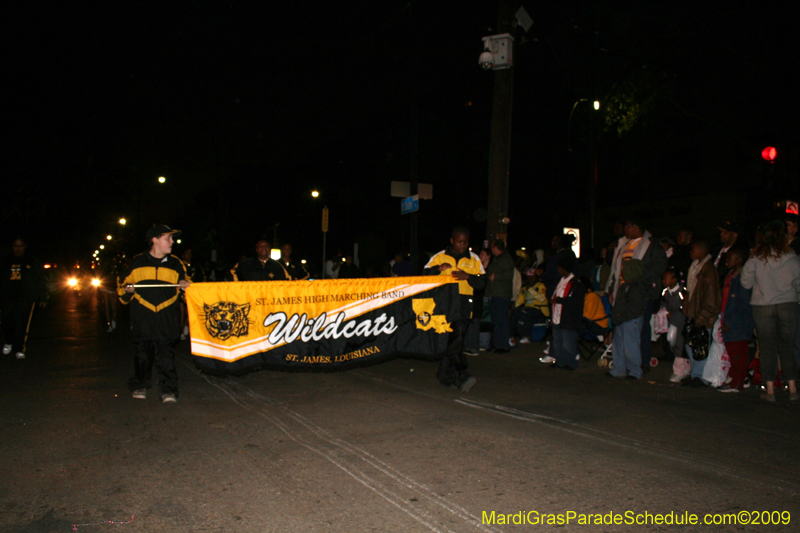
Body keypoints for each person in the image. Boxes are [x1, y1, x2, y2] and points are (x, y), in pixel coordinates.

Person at [119, 224, 190, 403]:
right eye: (168, 238)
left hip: (167, 316)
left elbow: (187, 289)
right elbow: (121, 288)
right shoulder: (137, 262)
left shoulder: (176, 263)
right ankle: (140, 384)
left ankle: (168, 390)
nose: (172, 242)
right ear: (155, 240)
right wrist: (127, 290)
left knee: (165, 355)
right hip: (143, 316)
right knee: (142, 353)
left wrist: (185, 286)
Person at [740, 221, 800, 402]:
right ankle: (793, 388)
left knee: (767, 347)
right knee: (787, 346)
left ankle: (770, 389)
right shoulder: (792, 258)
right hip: (788, 304)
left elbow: (745, 283)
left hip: (763, 305)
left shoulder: (756, 258)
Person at [423, 227, 486, 392]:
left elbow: (481, 283)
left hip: (464, 304)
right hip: (444, 304)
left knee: (455, 340)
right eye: (459, 241)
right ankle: (455, 374)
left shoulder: (474, 259)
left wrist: (468, 277)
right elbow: (424, 275)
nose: (462, 245)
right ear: (452, 241)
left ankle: (453, 375)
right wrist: (438, 269)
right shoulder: (439, 256)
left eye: (465, 242)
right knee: (450, 340)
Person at [605, 219, 668, 373]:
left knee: (640, 327)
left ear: (637, 227)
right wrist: (613, 289)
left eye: (628, 226)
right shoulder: (624, 244)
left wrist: (638, 276)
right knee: (620, 327)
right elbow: (617, 270)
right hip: (622, 292)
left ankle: (642, 362)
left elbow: (660, 266)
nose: (625, 229)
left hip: (641, 292)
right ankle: (621, 366)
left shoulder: (652, 245)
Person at [682, 239, 721, 387]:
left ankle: (700, 376)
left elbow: (712, 298)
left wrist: (703, 316)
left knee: (700, 347)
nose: (691, 252)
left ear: (702, 250)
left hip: (702, 315)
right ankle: (695, 374)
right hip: (694, 313)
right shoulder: (696, 267)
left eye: (694, 249)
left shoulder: (708, 270)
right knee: (692, 345)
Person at [1, 238, 48, 359]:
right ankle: (8, 341)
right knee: (6, 320)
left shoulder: (31, 261)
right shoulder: (5, 261)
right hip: (7, 297)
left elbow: (40, 279)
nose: (18, 248)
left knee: (21, 323)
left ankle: (19, 348)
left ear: (25, 246)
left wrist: (42, 297)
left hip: (25, 298)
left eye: (20, 246)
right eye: (16, 246)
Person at [717, 248, 754, 393]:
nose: (727, 261)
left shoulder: (742, 277)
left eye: (730, 258)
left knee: (737, 353)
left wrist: (730, 321)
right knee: (733, 353)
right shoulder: (731, 275)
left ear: (739, 260)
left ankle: (736, 383)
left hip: (738, 322)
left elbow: (744, 303)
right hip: (729, 319)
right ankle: (736, 379)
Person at [608, 259, 649, 379]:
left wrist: (620, 316)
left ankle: (634, 370)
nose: (622, 272)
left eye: (624, 269)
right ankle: (619, 368)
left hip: (631, 320)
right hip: (623, 319)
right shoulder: (626, 286)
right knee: (618, 346)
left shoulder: (637, 287)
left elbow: (634, 308)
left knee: (631, 347)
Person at [548, 255, 585, 370]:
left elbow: (575, 301)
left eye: (559, 267)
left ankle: (571, 363)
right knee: (558, 342)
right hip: (557, 316)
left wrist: (559, 300)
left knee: (568, 343)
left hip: (569, 318)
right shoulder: (560, 281)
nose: (558, 269)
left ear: (565, 268)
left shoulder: (576, 283)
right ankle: (560, 361)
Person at [486, 239, 515, 353]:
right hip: (496, 293)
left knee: (502, 320)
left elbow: (509, 274)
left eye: (492, 247)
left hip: (502, 294)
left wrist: (496, 276)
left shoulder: (506, 258)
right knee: (496, 320)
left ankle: (503, 345)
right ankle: (497, 343)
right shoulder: (498, 259)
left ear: (496, 248)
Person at [662, 269, 689, 383]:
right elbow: (664, 304)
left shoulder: (682, 293)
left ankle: (679, 371)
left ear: (674, 279)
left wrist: (673, 316)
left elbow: (685, 309)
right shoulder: (666, 292)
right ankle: (685, 368)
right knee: (673, 344)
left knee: (679, 345)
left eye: (666, 278)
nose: (664, 281)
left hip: (680, 323)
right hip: (671, 322)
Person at [513, 268, 549, 344]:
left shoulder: (541, 286)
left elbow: (542, 298)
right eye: (529, 277)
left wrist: (531, 290)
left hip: (539, 310)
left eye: (532, 277)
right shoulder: (524, 288)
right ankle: (516, 334)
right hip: (528, 310)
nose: (530, 279)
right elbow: (519, 301)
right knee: (516, 312)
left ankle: (527, 336)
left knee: (525, 313)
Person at [180, 248, 206, 340]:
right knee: (182, 311)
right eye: (186, 254)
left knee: (193, 312)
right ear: (183, 255)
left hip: (194, 293)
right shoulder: (179, 264)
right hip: (182, 292)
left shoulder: (196, 266)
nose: (188, 256)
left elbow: (202, 278)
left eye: (190, 254)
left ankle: (193, 331)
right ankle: (181, 331)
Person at [712, 221, 748, 288]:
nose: (721, 234)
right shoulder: (717, 248)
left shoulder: (737, 252)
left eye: (726, 233)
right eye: (722, 232)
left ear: (734, 235)